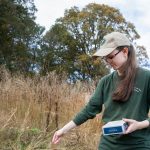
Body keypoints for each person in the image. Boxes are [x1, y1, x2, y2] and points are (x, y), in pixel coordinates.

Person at [52, 32, 150, 149]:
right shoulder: (105, 81)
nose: (108, 62)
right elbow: (89, 110)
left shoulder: (146, 77)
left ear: (125, 51)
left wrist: (139, 125)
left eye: (111, 56)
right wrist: (63, 130)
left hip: (138, 145)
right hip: (108, 145)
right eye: (105, 59)